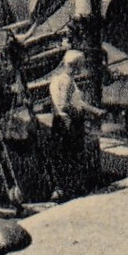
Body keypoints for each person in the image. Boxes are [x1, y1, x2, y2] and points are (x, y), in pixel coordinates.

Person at [48, 49, 106, 196]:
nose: (81, 68)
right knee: (71, 156)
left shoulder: (62, 78)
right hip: (68, 123)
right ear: (74, 65)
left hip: (62, 122)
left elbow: (77, 101)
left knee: (67, 156)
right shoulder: (66, 81)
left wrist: (94, 110)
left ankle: (66, 188)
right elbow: (64, 105)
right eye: (80, 65)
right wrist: (79, 113)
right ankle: (71, 189)